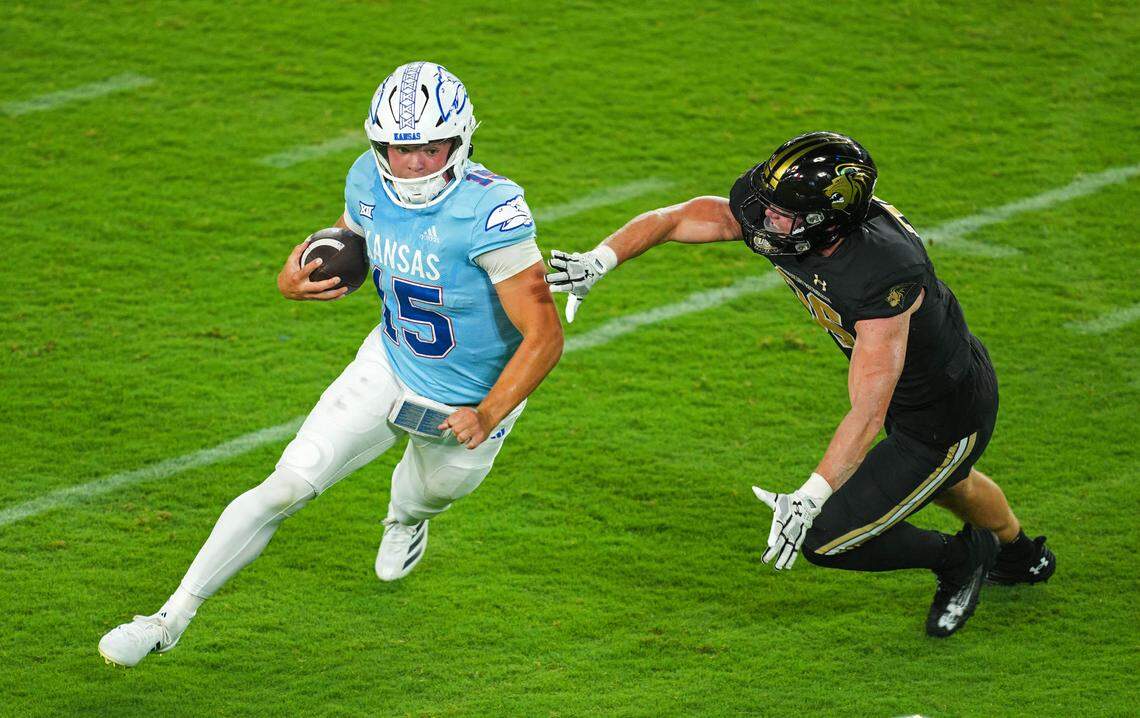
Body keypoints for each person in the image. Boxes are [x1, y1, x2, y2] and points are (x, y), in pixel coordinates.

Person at [98, 61, 563, 666]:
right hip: (390, 362)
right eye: (400, 147)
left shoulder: (491, 211)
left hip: (475, 395)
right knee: (283, 486)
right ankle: (168, 618)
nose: (414, 163)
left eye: (430, 147)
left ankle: (406, 517)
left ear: (460, 140)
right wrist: (296, 280)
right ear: (380, 144)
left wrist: (489, 409)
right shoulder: (367, 179)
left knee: (431, 493)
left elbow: (545, 334)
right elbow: (350, 241)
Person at [545, 131, 1054, 637]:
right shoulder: (793, 218)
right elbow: (680, 217)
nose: (766, 220)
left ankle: (961, 557)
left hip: (943, 414)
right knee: (948, 483)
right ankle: (1022, 555)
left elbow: (867, 412)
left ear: (827, 222)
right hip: (919, 390)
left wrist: (811, 494)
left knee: (829, 538)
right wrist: (602, 258)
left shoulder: (885, 275)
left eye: (783, 214)